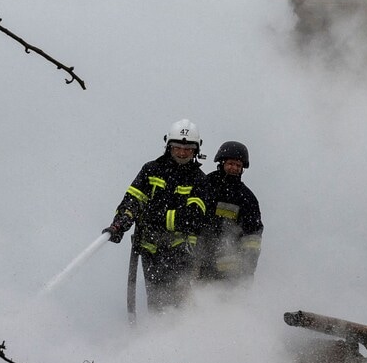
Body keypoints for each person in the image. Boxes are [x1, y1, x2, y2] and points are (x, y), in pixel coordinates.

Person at [104, 119, 208, 312]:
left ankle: (183, 336)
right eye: (178, 147)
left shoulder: (199, 180)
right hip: (150, 251)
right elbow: (132, 200)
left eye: (188, 149)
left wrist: (152, 215)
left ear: (196, 150)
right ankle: (157, 338)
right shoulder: (151, 170)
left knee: (179, 303)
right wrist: (119, 224)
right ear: (168, 146)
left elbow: (192, 218)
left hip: (181, 253)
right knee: (157, 303)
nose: (182, 152)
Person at [198, 140, 263, 284]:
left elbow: (253, 236)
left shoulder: (247, 198)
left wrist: (248, 269)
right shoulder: (204, 185)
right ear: (222, 163)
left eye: (238, 165)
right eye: (230, 164)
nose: (234, 168)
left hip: (229, 273)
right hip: (199, 264)